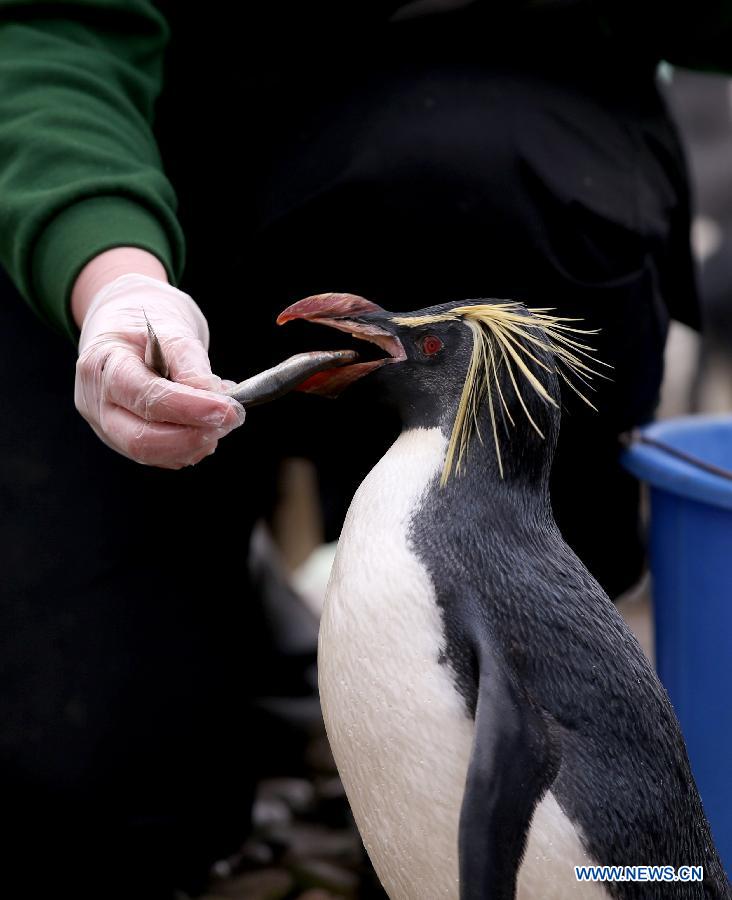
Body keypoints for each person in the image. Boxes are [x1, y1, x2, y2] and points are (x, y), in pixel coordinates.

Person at [1, 1, 727, 897]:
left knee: (653, 865)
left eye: (422, 345)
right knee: (78, 778)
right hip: (176, 170)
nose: (390, 338)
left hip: (517, 151)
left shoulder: (458, 540)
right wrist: (113, 280)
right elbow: (50, 25)